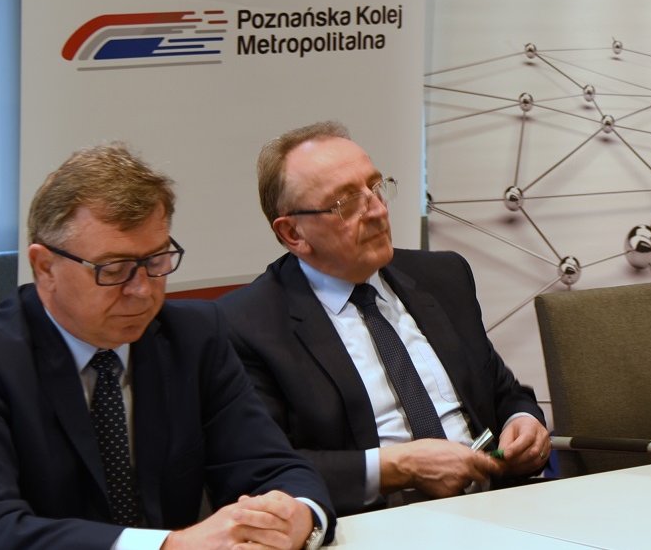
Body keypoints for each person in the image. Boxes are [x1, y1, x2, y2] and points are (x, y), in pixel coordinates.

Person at [0, 143, 332, 550]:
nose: (142, 290)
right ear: (45, 267)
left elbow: (272, 466)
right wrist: (170, 546)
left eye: (156, 262)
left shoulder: (194, 336)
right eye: (113, 269)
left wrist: (299, 517)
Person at [219, 122, 548, 516]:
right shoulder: (247, 324)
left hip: (499, 506)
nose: (377, 210)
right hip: (379, 521)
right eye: (345, 203)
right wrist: (397, 467)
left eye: (375, 188)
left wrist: (522, 421)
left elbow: (502, 392)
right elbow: (261, 468)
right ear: (293, 233)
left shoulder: (443, 276)